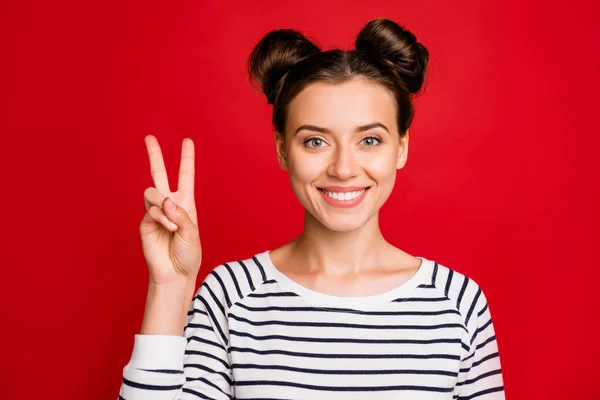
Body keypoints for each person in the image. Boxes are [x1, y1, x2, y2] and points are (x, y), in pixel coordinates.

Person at [118, 18, 505, 400]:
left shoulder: (457, 304)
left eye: (369, 139)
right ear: (283, 148)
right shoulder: (230, 297)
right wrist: (169, 288)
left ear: (401, 146)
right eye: (316, 142)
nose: (343, 168)